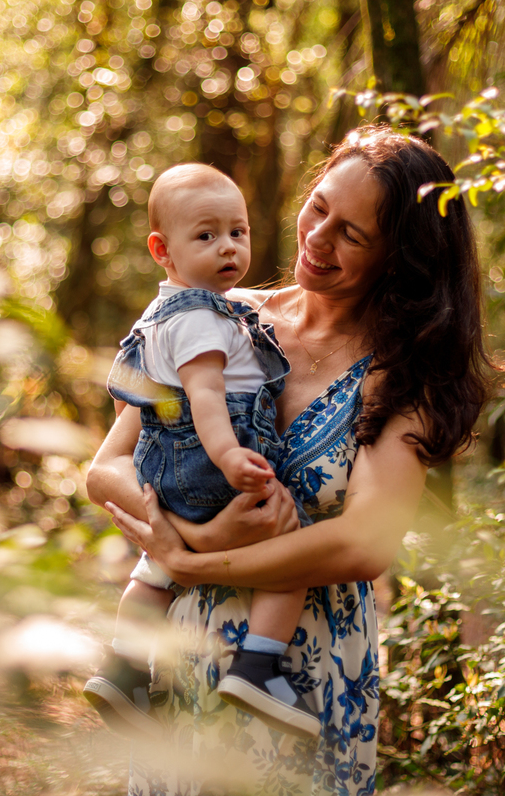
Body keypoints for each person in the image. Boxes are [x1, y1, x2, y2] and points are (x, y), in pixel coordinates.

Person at [89, 125, 505, 796]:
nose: (318, 238)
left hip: (300, 682)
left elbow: (362, 544)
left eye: (353, 234)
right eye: (319, 208)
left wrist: (196, 563)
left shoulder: (404, 375)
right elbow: (108, 468)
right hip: (179, 662)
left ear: (399, 257)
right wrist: (197, 541)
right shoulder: (216, 318)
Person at [83, 164, 321, 742]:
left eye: (236, 233)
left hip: (166, 477)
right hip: (214, 467)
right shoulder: (200, 320)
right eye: (206, 235)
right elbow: (208, 399)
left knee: (154, 569)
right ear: (162, 250)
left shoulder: (161, 315)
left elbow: (139, 410)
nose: (228, 248)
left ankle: (123, 666)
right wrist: (229, 457)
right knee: (290, 558)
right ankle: (258, 668)